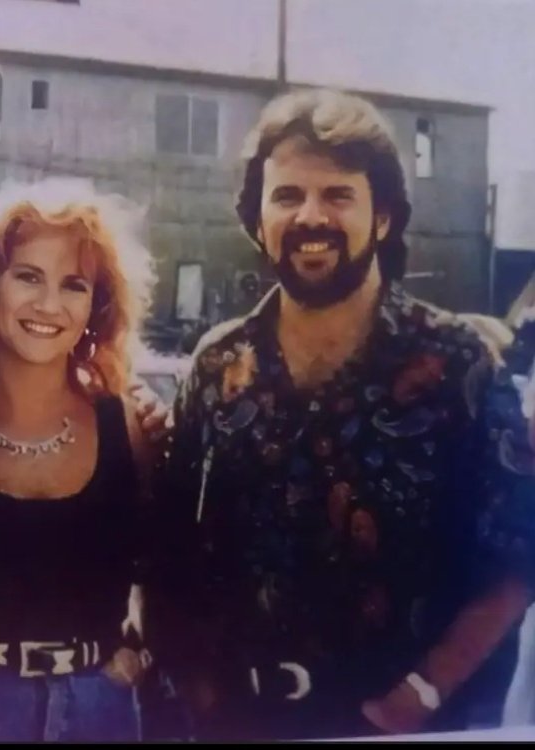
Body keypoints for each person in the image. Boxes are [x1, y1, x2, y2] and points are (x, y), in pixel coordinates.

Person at [153, 88, 535, 741]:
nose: (311, 216)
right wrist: (202, 691)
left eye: (337, 195)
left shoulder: (457, 364)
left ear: (382, 218)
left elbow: (516, 559)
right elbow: (171, 553)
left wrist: (415, 699)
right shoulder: (218, 367)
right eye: (287, 196)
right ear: (257, 218)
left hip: (409, 726)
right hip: (245, 722)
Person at [0, 177, 159, 741]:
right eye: (27, 276)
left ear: (97, 304)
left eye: (74, 285)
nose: (49, 305)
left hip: (102, 711)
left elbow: (165, 562)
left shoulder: (129, 423)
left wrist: (139, 652)